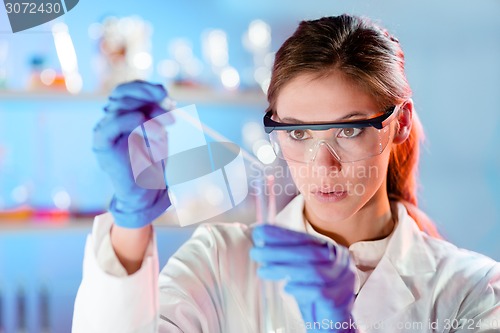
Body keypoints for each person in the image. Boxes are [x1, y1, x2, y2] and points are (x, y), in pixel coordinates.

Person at [72, 14, 500, 333]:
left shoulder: (473, 288)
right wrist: (129, 226)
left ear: (400, 123)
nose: (322, 166)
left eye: (349, 129)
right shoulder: (219, 259)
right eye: (297, 131)